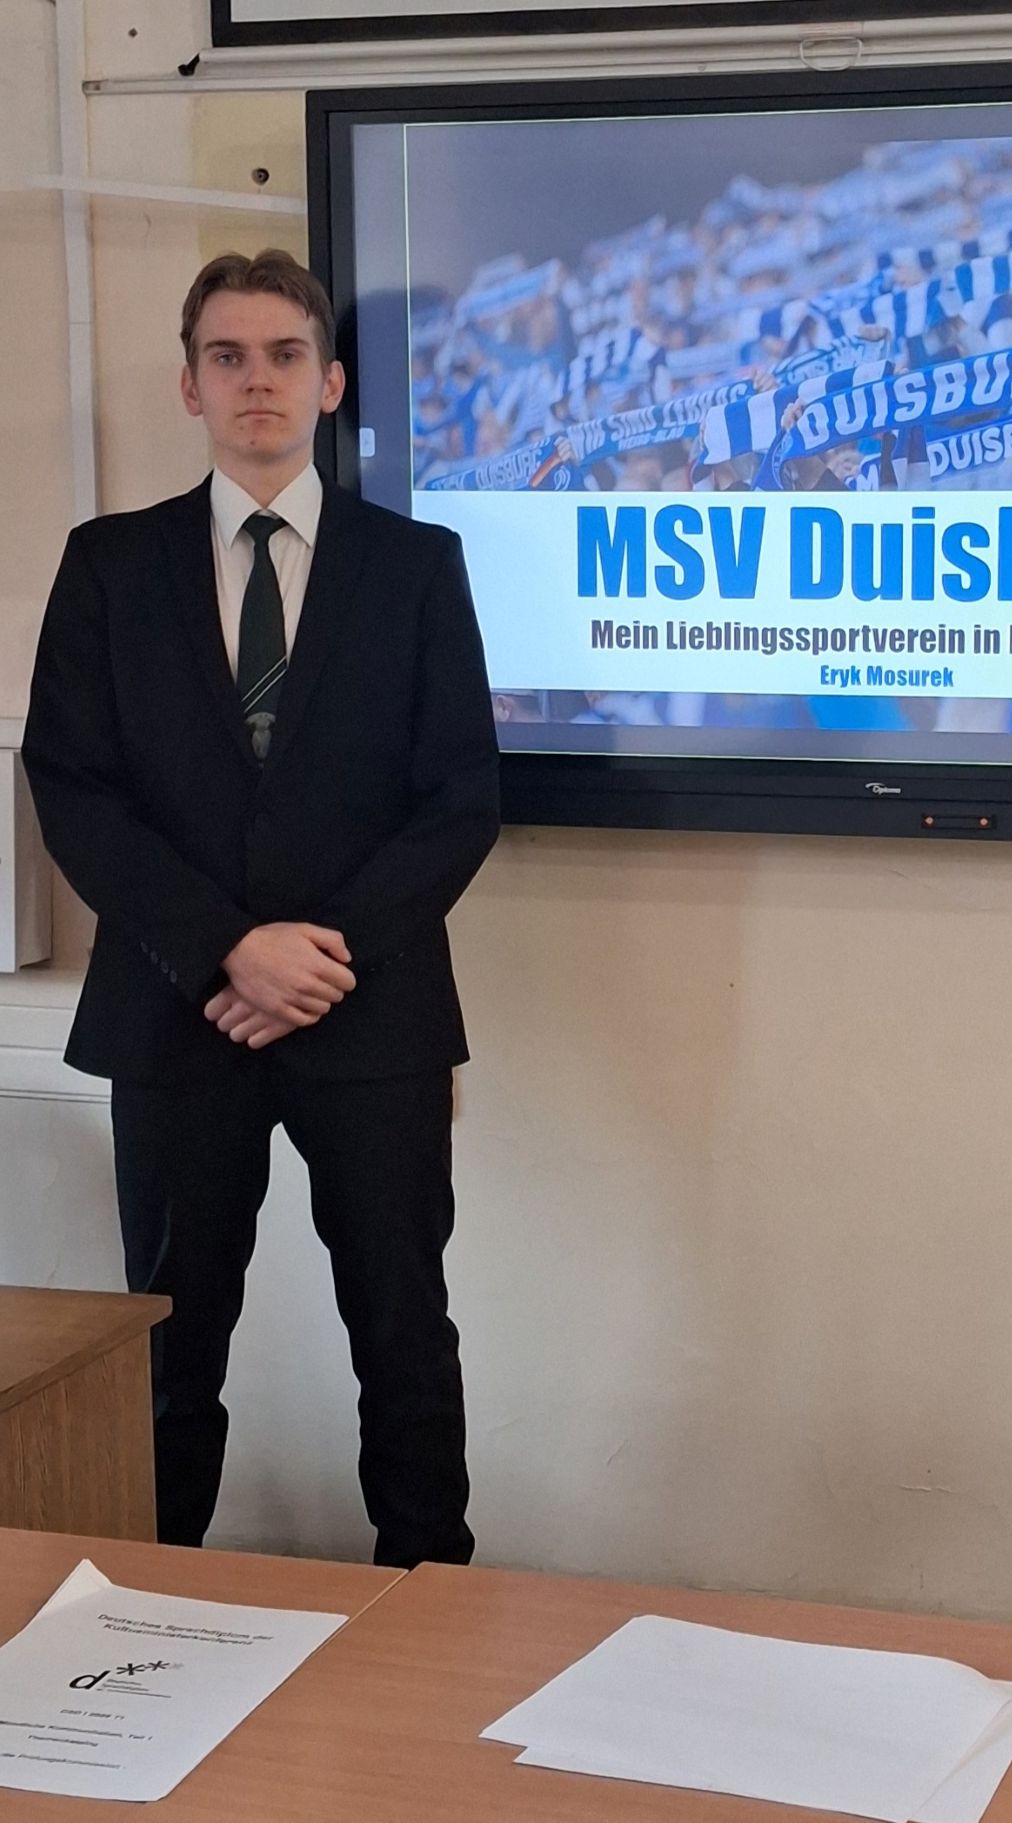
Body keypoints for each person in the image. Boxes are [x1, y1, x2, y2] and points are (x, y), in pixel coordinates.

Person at [22, 249, 500, 1570]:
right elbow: (72, 788)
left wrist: (315, 960)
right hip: (177, 1014)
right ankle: (146, 1608)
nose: (257, 382)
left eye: (286, 355)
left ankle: (428, 1598)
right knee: (168, 1347)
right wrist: (227, 948)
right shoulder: (110, 566)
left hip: (372, 1013)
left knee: (403, 1334)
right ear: (189, 385)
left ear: (331, 382)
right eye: (226, 357)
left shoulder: (415, 567)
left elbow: (459, 798)